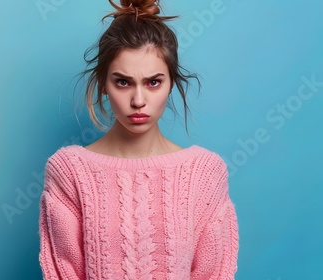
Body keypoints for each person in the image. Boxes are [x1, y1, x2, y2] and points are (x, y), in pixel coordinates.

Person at [38, 0, 239, 279]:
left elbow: (213, 273)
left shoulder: (204, 173)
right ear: (103, 85)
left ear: (172, 83)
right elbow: (64, 272)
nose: (138, 100)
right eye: (123, 82)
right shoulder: (69, 171)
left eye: (153, 82)